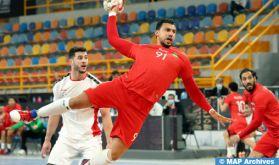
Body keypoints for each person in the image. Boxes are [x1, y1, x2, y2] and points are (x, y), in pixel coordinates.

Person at [10, 2, 230, 164]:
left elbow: (193, 90)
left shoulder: (181, 59)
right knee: (74, 102)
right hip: (121, 87)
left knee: (114, 154)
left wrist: (210, 110)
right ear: (157, 33)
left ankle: (87, 162)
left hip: (140, 107)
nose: (171, 34)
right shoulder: (142, 49)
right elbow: (114, 40)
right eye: (167, 30)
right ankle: (31, 114)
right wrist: (112, 14)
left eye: (173, 31)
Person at [40, 47, 113, 164]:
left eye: (86, 58)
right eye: (80, 58)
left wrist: (110, 142)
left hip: (91, 139)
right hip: (67, 138)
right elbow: (55, 113)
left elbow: (105, 114)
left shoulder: (97, 86)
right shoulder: (60, 86)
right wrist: (47, 140)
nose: (84, 61)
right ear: (71, 61)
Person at [229, 68, 279, 158]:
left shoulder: (260, 94)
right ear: (241, 82)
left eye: (250, 78)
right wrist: (250, 109)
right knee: (252, 159)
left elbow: (257, 122)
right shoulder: (247, 92)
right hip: (272, 133)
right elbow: (250, 103)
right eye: (244, 79)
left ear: (255, 79)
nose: (247, 81)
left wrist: (238, 136)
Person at [218, 82, 255, 157]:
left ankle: (261, 152)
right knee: (226, 134)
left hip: (237, 123)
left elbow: (223, 109)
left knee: (247, 141)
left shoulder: (230, 96)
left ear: (229, 88)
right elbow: (248, 106)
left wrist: (220, 103)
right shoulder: (241, 97)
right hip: (241, 121)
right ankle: (230, 154)